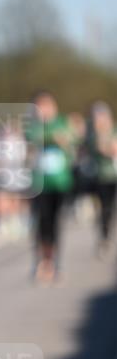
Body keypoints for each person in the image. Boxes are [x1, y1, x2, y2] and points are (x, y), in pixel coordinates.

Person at [27, 91, 74, 283]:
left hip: (59, 182)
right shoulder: (32, 126)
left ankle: (55, 262)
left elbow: (70, 139)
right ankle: (42, 261)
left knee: (55, 224)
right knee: (40, 223)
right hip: (39, 184)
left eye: (47, 105)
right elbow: (34, 139)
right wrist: (53, 137)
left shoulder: (62, 122)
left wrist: (59, 138)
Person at [84, 101, 117, 255]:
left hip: (114, 175)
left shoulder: (114, 130)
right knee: (105, 209)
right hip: (101, 177)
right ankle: (104, 238)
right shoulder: (92, 134)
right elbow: (102, 148)